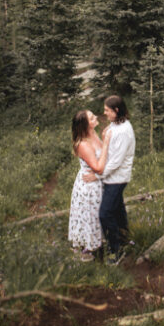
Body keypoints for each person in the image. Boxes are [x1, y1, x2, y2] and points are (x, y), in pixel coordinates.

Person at [84, 94, 136, 265]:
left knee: (105, 214)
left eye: (107, 110)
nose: (104, 113)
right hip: (113, 177)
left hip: (116, 178)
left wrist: (97, 175)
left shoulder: (124, 133)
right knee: (118, 209)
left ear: (117, 110)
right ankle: (125, 239)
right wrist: (108, 130)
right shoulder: (118, 124)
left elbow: (115, 162)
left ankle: (116, 251)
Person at [68, 109, 111, 261]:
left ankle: (102, 247)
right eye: (92, 118)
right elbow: (99, 167)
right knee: (92, 216)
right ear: (86, 126)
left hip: (98, 182)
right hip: (89, 187)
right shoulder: (83, 145)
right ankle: (92, 253)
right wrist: (106, 143)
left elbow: (104, 162)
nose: (96, 118)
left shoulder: (93, 135)